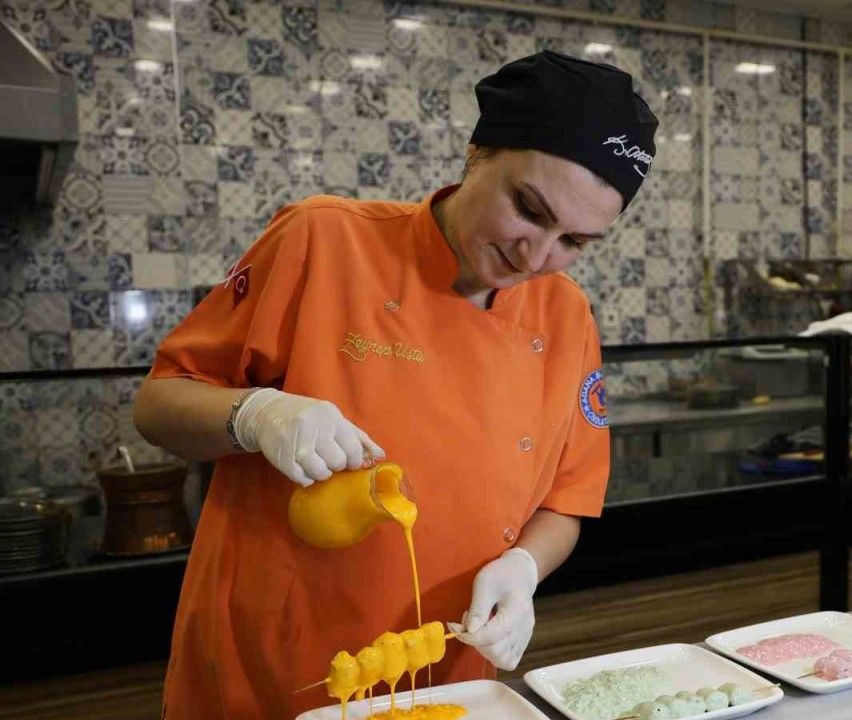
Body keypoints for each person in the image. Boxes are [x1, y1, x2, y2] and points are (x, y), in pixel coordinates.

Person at [133, 51, 658, 719]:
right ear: (477, 153)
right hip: (275, 655)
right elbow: (158, 405)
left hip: (443, 664)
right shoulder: (323, 240)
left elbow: (567, 499)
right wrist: (255, 413)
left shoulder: (566, 314)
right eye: (528, 208)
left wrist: (525, 567)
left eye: (575, 242)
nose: (536, 255)